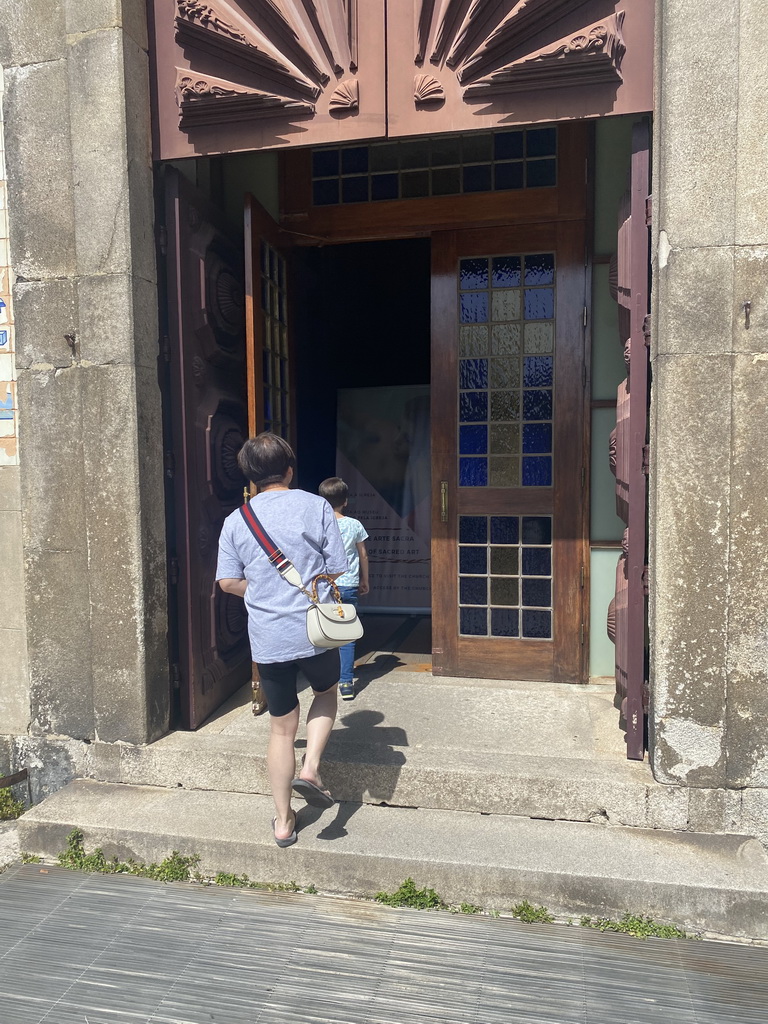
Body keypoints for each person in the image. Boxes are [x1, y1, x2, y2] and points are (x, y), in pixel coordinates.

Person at [216, 433, 348, 848]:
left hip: (269, 637)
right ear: (290, 470)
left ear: (250, 477)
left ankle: (283, 821)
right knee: (326, 692)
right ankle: (310, 768)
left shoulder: (237, 520)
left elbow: (226, 582)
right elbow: (338, 568)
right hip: (315, 630)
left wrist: (259, 592)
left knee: (279, 729)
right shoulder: (317, 506)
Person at [318, 477, 369, 701]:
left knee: (324, 632)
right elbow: (363, 554)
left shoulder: (317, 524)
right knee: (347, 634)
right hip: (348, 584)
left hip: (324, 585)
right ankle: (346, 682)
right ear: (345, 501)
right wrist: (364, 580)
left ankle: (323, 680)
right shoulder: (354, 525)